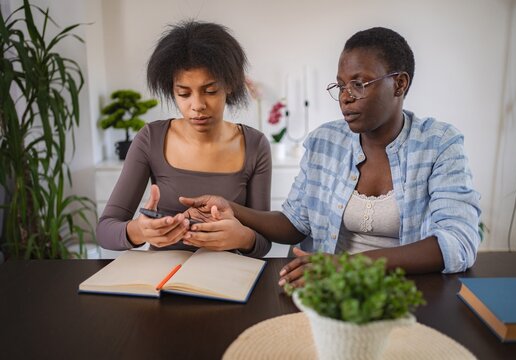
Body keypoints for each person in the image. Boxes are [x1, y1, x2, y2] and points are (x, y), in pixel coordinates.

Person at [180, 26, 481, 286]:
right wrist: (232, 208)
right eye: (340, 85)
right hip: (328, 288)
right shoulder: (325, 141)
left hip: (406, 292)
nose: (346, 96)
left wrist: (345, 266)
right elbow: (294, 223)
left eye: (359, 84)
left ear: (399, 84)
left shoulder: (439, 144)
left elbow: (458, 243)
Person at [97, 20, 272, 257]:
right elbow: (105, 230)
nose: (197, 106)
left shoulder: (255, 145)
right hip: (163, 279)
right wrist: (140, 231)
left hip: (227, 279)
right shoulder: (151, 138)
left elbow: (263, 243)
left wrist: (242, 236)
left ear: (230, 85)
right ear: (172, 89)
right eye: (184, 93)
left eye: (210, 91)